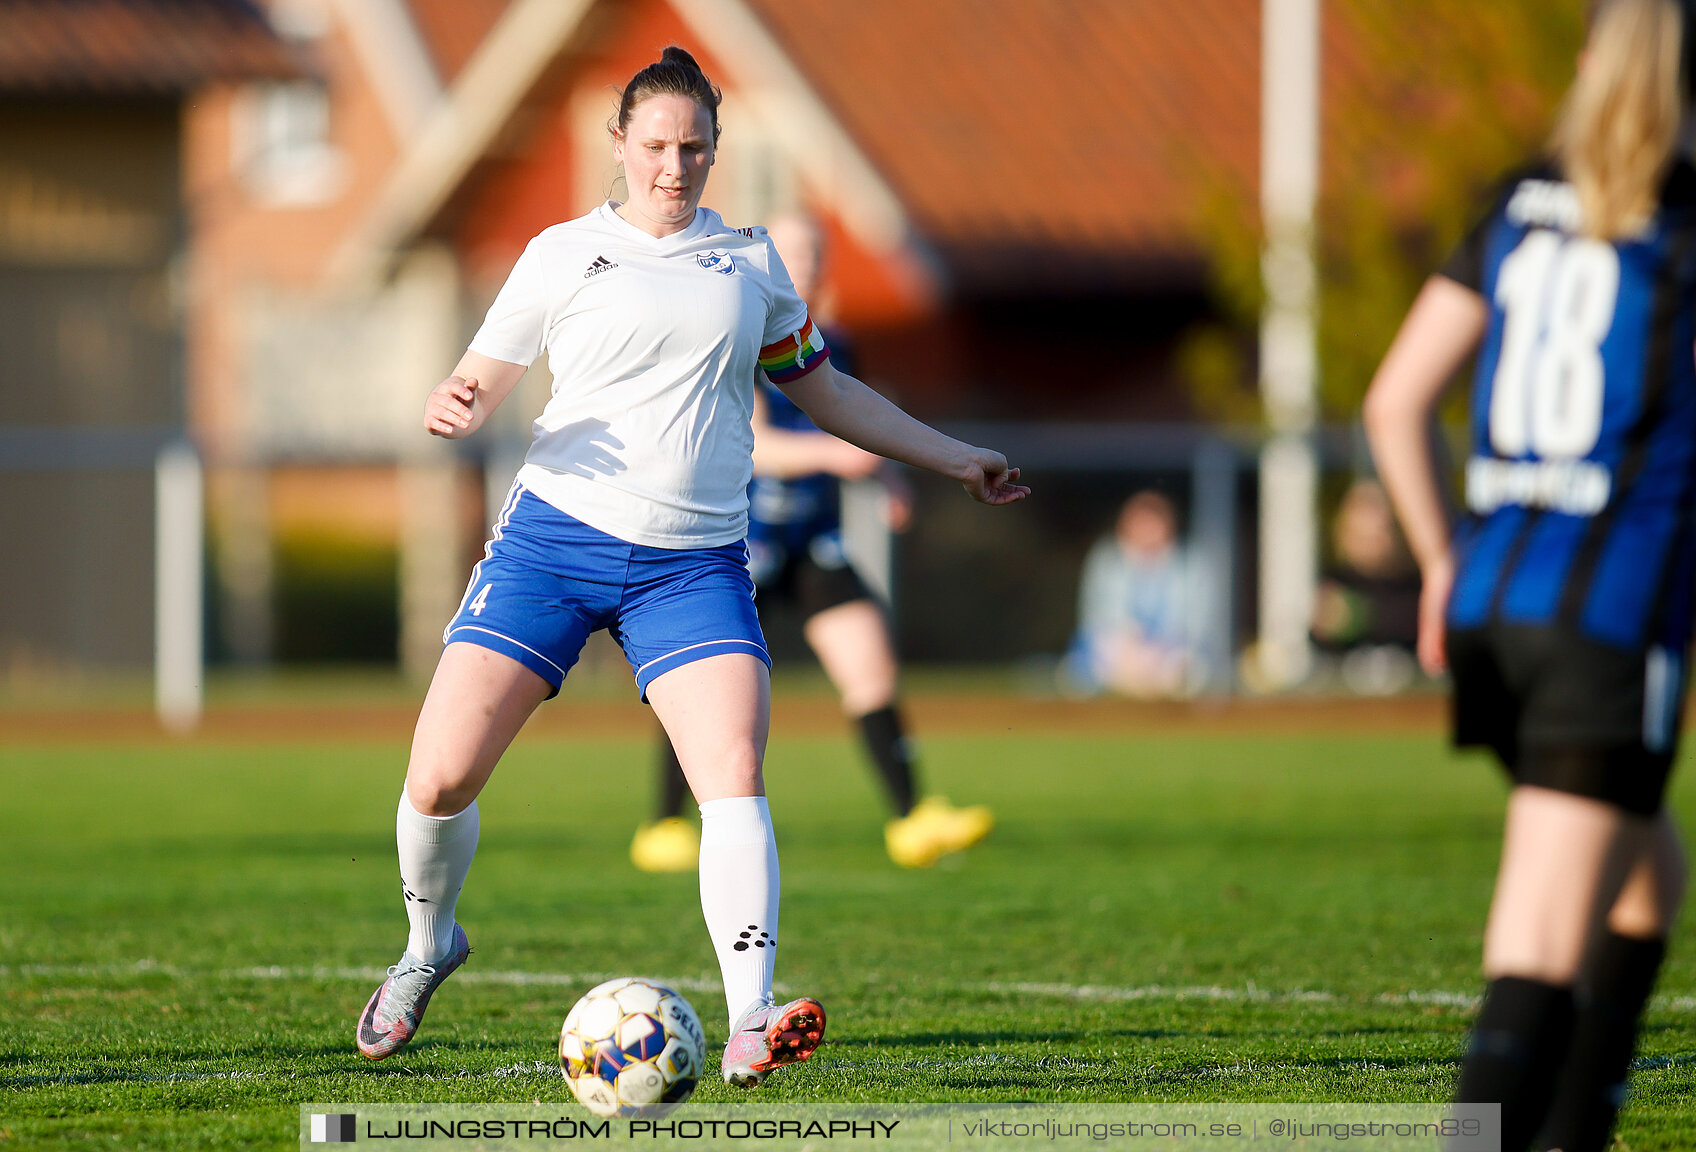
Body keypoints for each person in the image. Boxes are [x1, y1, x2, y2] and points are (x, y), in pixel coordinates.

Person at [354, 48, 1028, 1089]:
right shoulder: (560, 253)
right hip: (550, 545)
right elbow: (480, 375)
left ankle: (753, 1016)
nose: (676, 166)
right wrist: (456, 402)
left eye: (696, 149)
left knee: (733, 775)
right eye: (659, 146)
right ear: (618, 144)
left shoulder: (752, 267)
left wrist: (954, 458)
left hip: (692, 565)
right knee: (438, 776)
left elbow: (832, 396)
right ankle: (427, 944)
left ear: (717, 153)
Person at [1363, 2, 1696, 1148]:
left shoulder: (1518, 198)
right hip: (1605, 616)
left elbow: (1395, 401)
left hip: (1495, 601)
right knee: (1539, 946)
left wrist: (1443, 560)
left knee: (1649, 881)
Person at [629, 212, 994, 874]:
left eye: (819, 252)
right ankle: (662, 825)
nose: (811, 264)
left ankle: (912, 819)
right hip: (733, 540)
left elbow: (852, 420)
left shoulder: (837, 344)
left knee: (870, 662)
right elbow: (758, 445)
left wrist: (884, 475)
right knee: (703, 685)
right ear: (763, 259)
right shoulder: (734, 336)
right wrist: (836, 458)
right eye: (795, 251)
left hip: (810, 539)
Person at [1062, 490, 1208, 698]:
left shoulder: (1190, 564)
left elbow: (1197, 624)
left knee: (1188, 670)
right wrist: (1129, 644)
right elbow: (1096, 617)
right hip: (1121, 651)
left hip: (1168, 653)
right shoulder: (1107, 560)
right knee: (1096, 661)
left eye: (1153, 524)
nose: (1148, 531)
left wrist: (1159, 650)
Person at [1309, 478, 1421, 694]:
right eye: (1365, 535)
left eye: (1382, 532)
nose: (1375, 543)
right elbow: (1320, 645)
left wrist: (1362, 615)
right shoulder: (1336, 583)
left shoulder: (1415, 583)